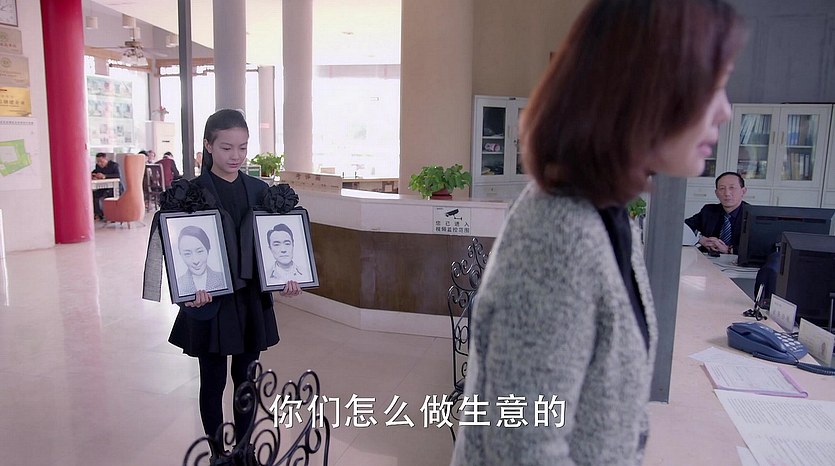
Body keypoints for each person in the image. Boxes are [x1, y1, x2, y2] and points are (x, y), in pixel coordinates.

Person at [449, 1, 744, 465]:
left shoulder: (607, 210)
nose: (725, 110)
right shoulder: (560, 233)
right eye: (713, 85)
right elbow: (522, 450)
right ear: (644, 85)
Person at [167, 109, 302, 464]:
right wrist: (188, 290)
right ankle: (217, 455)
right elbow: (179, 250)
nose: (236, 156)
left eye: (242, 147)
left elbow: (272, 248)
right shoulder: (191, 193)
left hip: (249, 301)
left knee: (246, 380)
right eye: (226, 147)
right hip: (210, 302)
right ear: (208, 146)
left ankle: (244, 450)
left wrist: (287, 277)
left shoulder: (260, 191)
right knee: (212, 382)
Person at [685, 171, 749, 254]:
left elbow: (760, 247)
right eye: (722, 188)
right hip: (708, 258)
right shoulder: (708, 211)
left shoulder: (753, 215)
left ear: (743, 191)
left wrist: (728, 249)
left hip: (739, 260)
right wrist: (700, 239)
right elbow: (683, 227)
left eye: (732, 188)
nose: (727, 193)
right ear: (716, 193)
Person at [175, 226, 227, 297]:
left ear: (208, 250)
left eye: (199, 251)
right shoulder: (178, 284)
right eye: (187, 254)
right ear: (180, 255)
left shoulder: (223, 279)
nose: (195, 261)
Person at [91, 152, 120, 221]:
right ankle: (99, 214)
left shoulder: (114, 165)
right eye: (98, 161)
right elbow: (95, 172)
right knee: (94, 195)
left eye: (101, 161)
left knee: (108, 194)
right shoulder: (98, 166)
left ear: (106, 159)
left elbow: (117, 175)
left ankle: (112, 215)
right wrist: (94, 175)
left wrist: (105, 176)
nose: (99, 163)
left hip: (114, 187)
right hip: (103, 187)